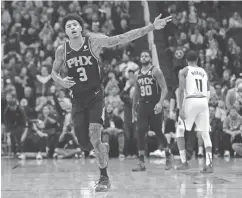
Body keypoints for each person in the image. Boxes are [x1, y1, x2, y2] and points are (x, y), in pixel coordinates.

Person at [51, 13, 172, 192]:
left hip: (95, 97)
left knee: (94, 137)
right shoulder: (62, 50)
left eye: (75, 24)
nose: (73, 28)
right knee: (85, 145)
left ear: (81, 28)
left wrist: (151, 27)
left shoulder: (93, 42)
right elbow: (54, 72)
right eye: (69, 26)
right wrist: (60, 81)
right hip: (77, 99)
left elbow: (123, 37)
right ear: (65, 32)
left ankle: (104, 177)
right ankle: (102, 147)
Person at [132, 50, 172, 171]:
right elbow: (136, 93)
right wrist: (134, 109)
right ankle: (141, 162)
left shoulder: (156, 71)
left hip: (155, 105)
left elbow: (165, 89)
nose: (144, 58)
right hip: (143, 105)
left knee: (158, 132)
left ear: (150, 58)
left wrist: (160, 103)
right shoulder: (137, 74)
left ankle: (168, 155)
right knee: (139, 132)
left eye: (146, 56)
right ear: (140, 59)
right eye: (142, 56)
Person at [176, 50, 213, 173]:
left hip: (191, 100)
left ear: (186, 60)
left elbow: (181, 90)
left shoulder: (184, 71)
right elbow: (208, 91)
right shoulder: (203, 71)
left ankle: (184, 162)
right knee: (205, 134)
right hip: (203, 101)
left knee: (180, 131)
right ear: (197, 60)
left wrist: (180, 108)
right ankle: (209, 164)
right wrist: (204, 105)